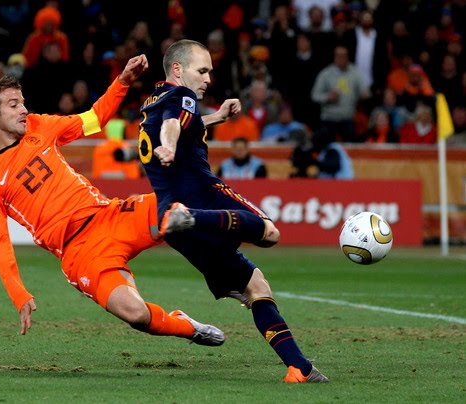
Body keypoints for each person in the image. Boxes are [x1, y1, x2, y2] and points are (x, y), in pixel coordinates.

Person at [0, 54, 224, 348]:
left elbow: (93, 120)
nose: (24, 110)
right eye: (14, 105)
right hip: (81, 253)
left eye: (23, 102)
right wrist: (19, 294)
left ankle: (244, 279)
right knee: (136, 314)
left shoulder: (40, 126)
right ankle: (185, 326)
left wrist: (122, 81)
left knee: (187, 201)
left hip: (110, 216)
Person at [138, 39, 328, 383]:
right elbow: (173, 125)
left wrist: (217, 118)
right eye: (202, 70)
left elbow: (180, 120)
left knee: (255, 286)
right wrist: (169, 145)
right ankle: (191, 217)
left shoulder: (154, 101)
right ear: (178, 69)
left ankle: (299, 368)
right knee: (270, 232)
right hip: (200, 198)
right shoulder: (182, 96)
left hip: (172, 224)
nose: (208, 78)